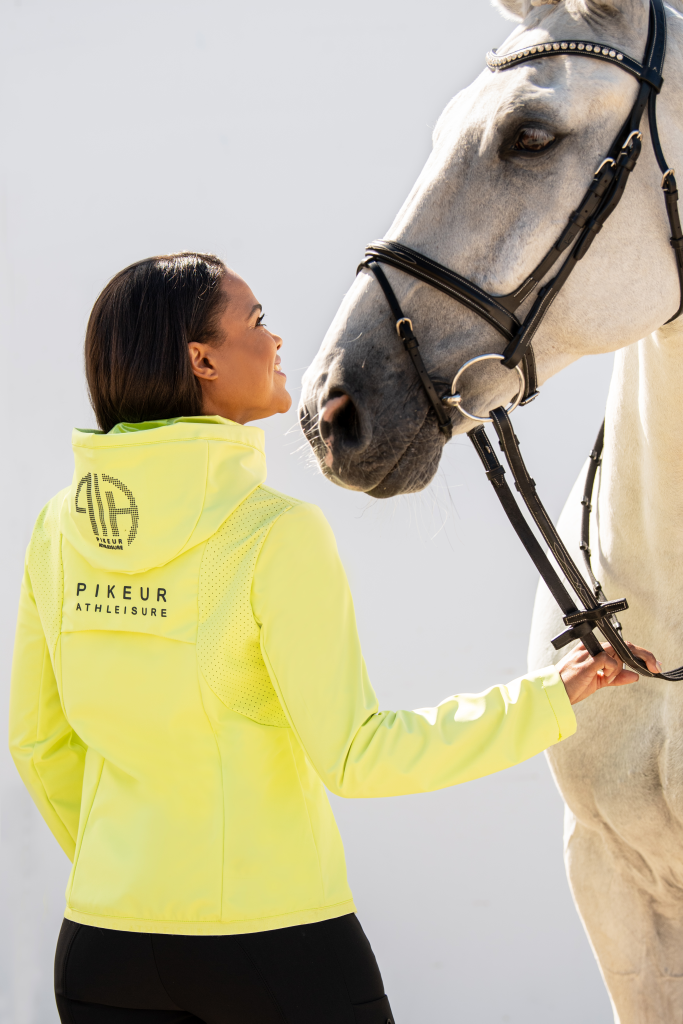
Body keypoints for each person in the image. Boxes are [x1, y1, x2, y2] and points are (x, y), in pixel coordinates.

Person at [9, 251, 659, 1024]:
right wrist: (549, 697)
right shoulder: (271, 533)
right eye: (255, 321)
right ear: (201, 360)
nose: (277, 339)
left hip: (103, 950)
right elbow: (357, 756)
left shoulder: (56, 530)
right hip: (270, 946)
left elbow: (38, 743)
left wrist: (129, 878)